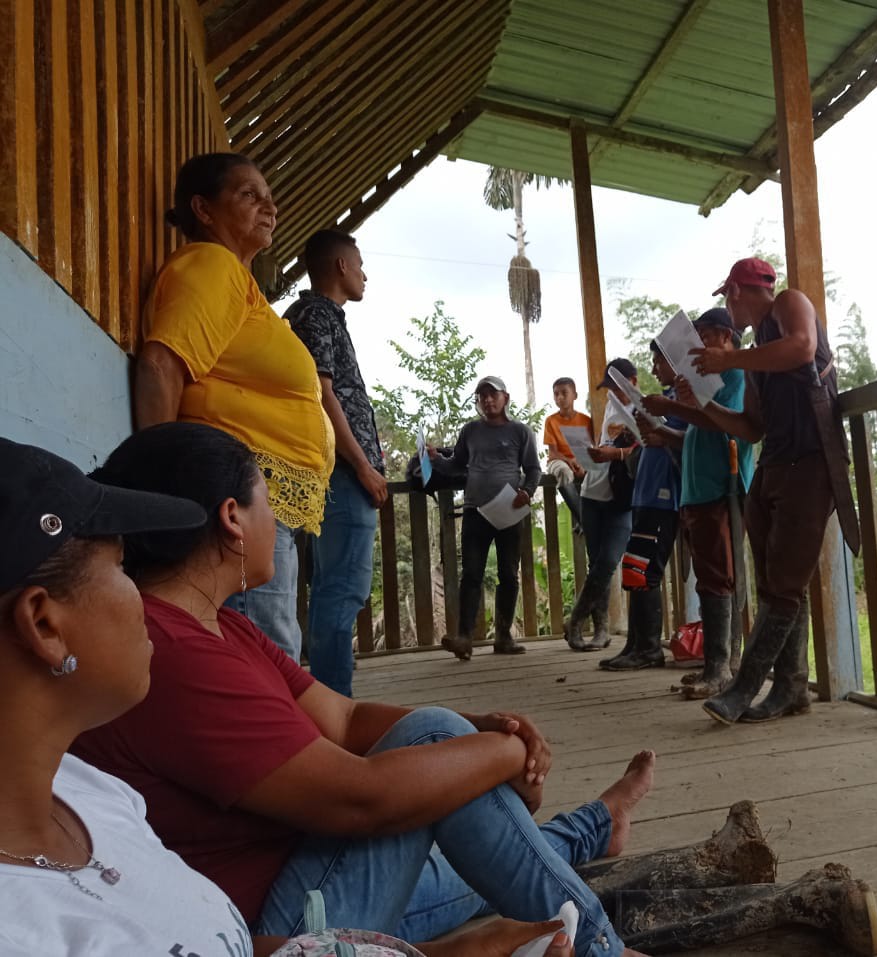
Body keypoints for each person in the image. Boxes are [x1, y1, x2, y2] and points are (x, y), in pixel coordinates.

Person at [70, 422, 650, 955]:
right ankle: (604, 948)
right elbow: (362, 799)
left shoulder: (221, 626)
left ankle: (596, 825)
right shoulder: (174, 651)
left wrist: (482, 728)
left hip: (315, 873)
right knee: (436, 741)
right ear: (232, 518)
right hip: (276, 929)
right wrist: (504, 751)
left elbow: (343, 720)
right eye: (269, 502)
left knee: (484, 843)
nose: (279, 521)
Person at [131, 151, 334, 661]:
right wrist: (161, 494)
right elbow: (161, 365)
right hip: (234, 505)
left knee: (272, 652)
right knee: (266, 657)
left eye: (269, 198)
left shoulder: (240, 284)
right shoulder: (212, 264)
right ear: (203, 209)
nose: (269, 207)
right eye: (249, 195)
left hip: (255, 504)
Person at [689, 258, 850, 725]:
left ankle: (742, 690)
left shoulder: (789, 302)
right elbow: (751, 427)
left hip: (812, 462)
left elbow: (802, 346)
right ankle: (792, 686)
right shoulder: (758, 355)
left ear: (736, 291)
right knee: (776, 583)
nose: (728, 307)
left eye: (727, 298)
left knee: (784, 585)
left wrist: (730, 360)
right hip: (774, 465)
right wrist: (701, 404)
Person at [286, 229, 388, 696]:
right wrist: (363, 465)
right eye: (360, 265)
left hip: (341, 472)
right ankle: (334, 708)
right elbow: (321, 394)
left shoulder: (322, 316)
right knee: (341, 590)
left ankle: (328, 700)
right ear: (342, 266)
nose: (365, 275)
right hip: (343, 474)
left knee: (334, 588)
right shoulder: (315, 315)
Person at [642, 308, 756, 699]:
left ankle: (721, 667)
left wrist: (673, 407)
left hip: (721, 485)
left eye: (703, 336)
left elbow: (727, 424)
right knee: (709, 577)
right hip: (696, 489)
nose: (699, 346)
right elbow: (694, 434)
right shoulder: (703, 381)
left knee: (719, 576)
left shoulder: (735, 375)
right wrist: (663, 430)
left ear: (725, 336)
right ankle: (718, 663)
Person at [429, 376, 542, 660]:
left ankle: (504, 637)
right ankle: (464, 638)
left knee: (508, 574)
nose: (488, 400)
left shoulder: (520, 431)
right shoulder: (470, 431)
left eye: (493, 394)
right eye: (482, 396)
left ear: (506, 398)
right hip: (475, 510)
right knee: (471, 574)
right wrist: (435, 459)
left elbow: (533, 469)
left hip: (509, 510)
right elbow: (456, 464)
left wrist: (527, 491)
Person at [600, 345, 687, 672]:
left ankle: (650, 648)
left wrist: (662, 434)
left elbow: (692, 438)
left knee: (647, 570)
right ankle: (635, 644)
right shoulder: (665, 398)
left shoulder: (685, 401)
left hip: (665, 496)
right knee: (634, 568)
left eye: (659, 361)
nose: (654, 367)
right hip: (645, 493)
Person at [565, 359, 639, 652]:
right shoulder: (610, 405)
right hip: (592, 492)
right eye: (609, 387)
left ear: (633, 382)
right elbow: (606, 440)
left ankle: (575, 619)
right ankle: (601, 629)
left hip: (621, 498)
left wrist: (615, 454)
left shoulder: (645, 409)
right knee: (597, 563)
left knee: (608, 562)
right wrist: (589, 460)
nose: (613, 392)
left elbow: (645, 449)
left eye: (618, 386)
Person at [543, 377, 592, 528]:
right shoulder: (551, 421)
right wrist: (569, 461)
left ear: (575, 395)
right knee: (564, 472)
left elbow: (589, 448)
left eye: (564, 393)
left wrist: (581, 464)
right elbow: (553, 452)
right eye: (556, 394)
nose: (560, 397)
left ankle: (592, 517)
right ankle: (585, 520)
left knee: (595, 474)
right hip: (558, 460)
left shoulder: (586, 420)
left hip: (581, 459)